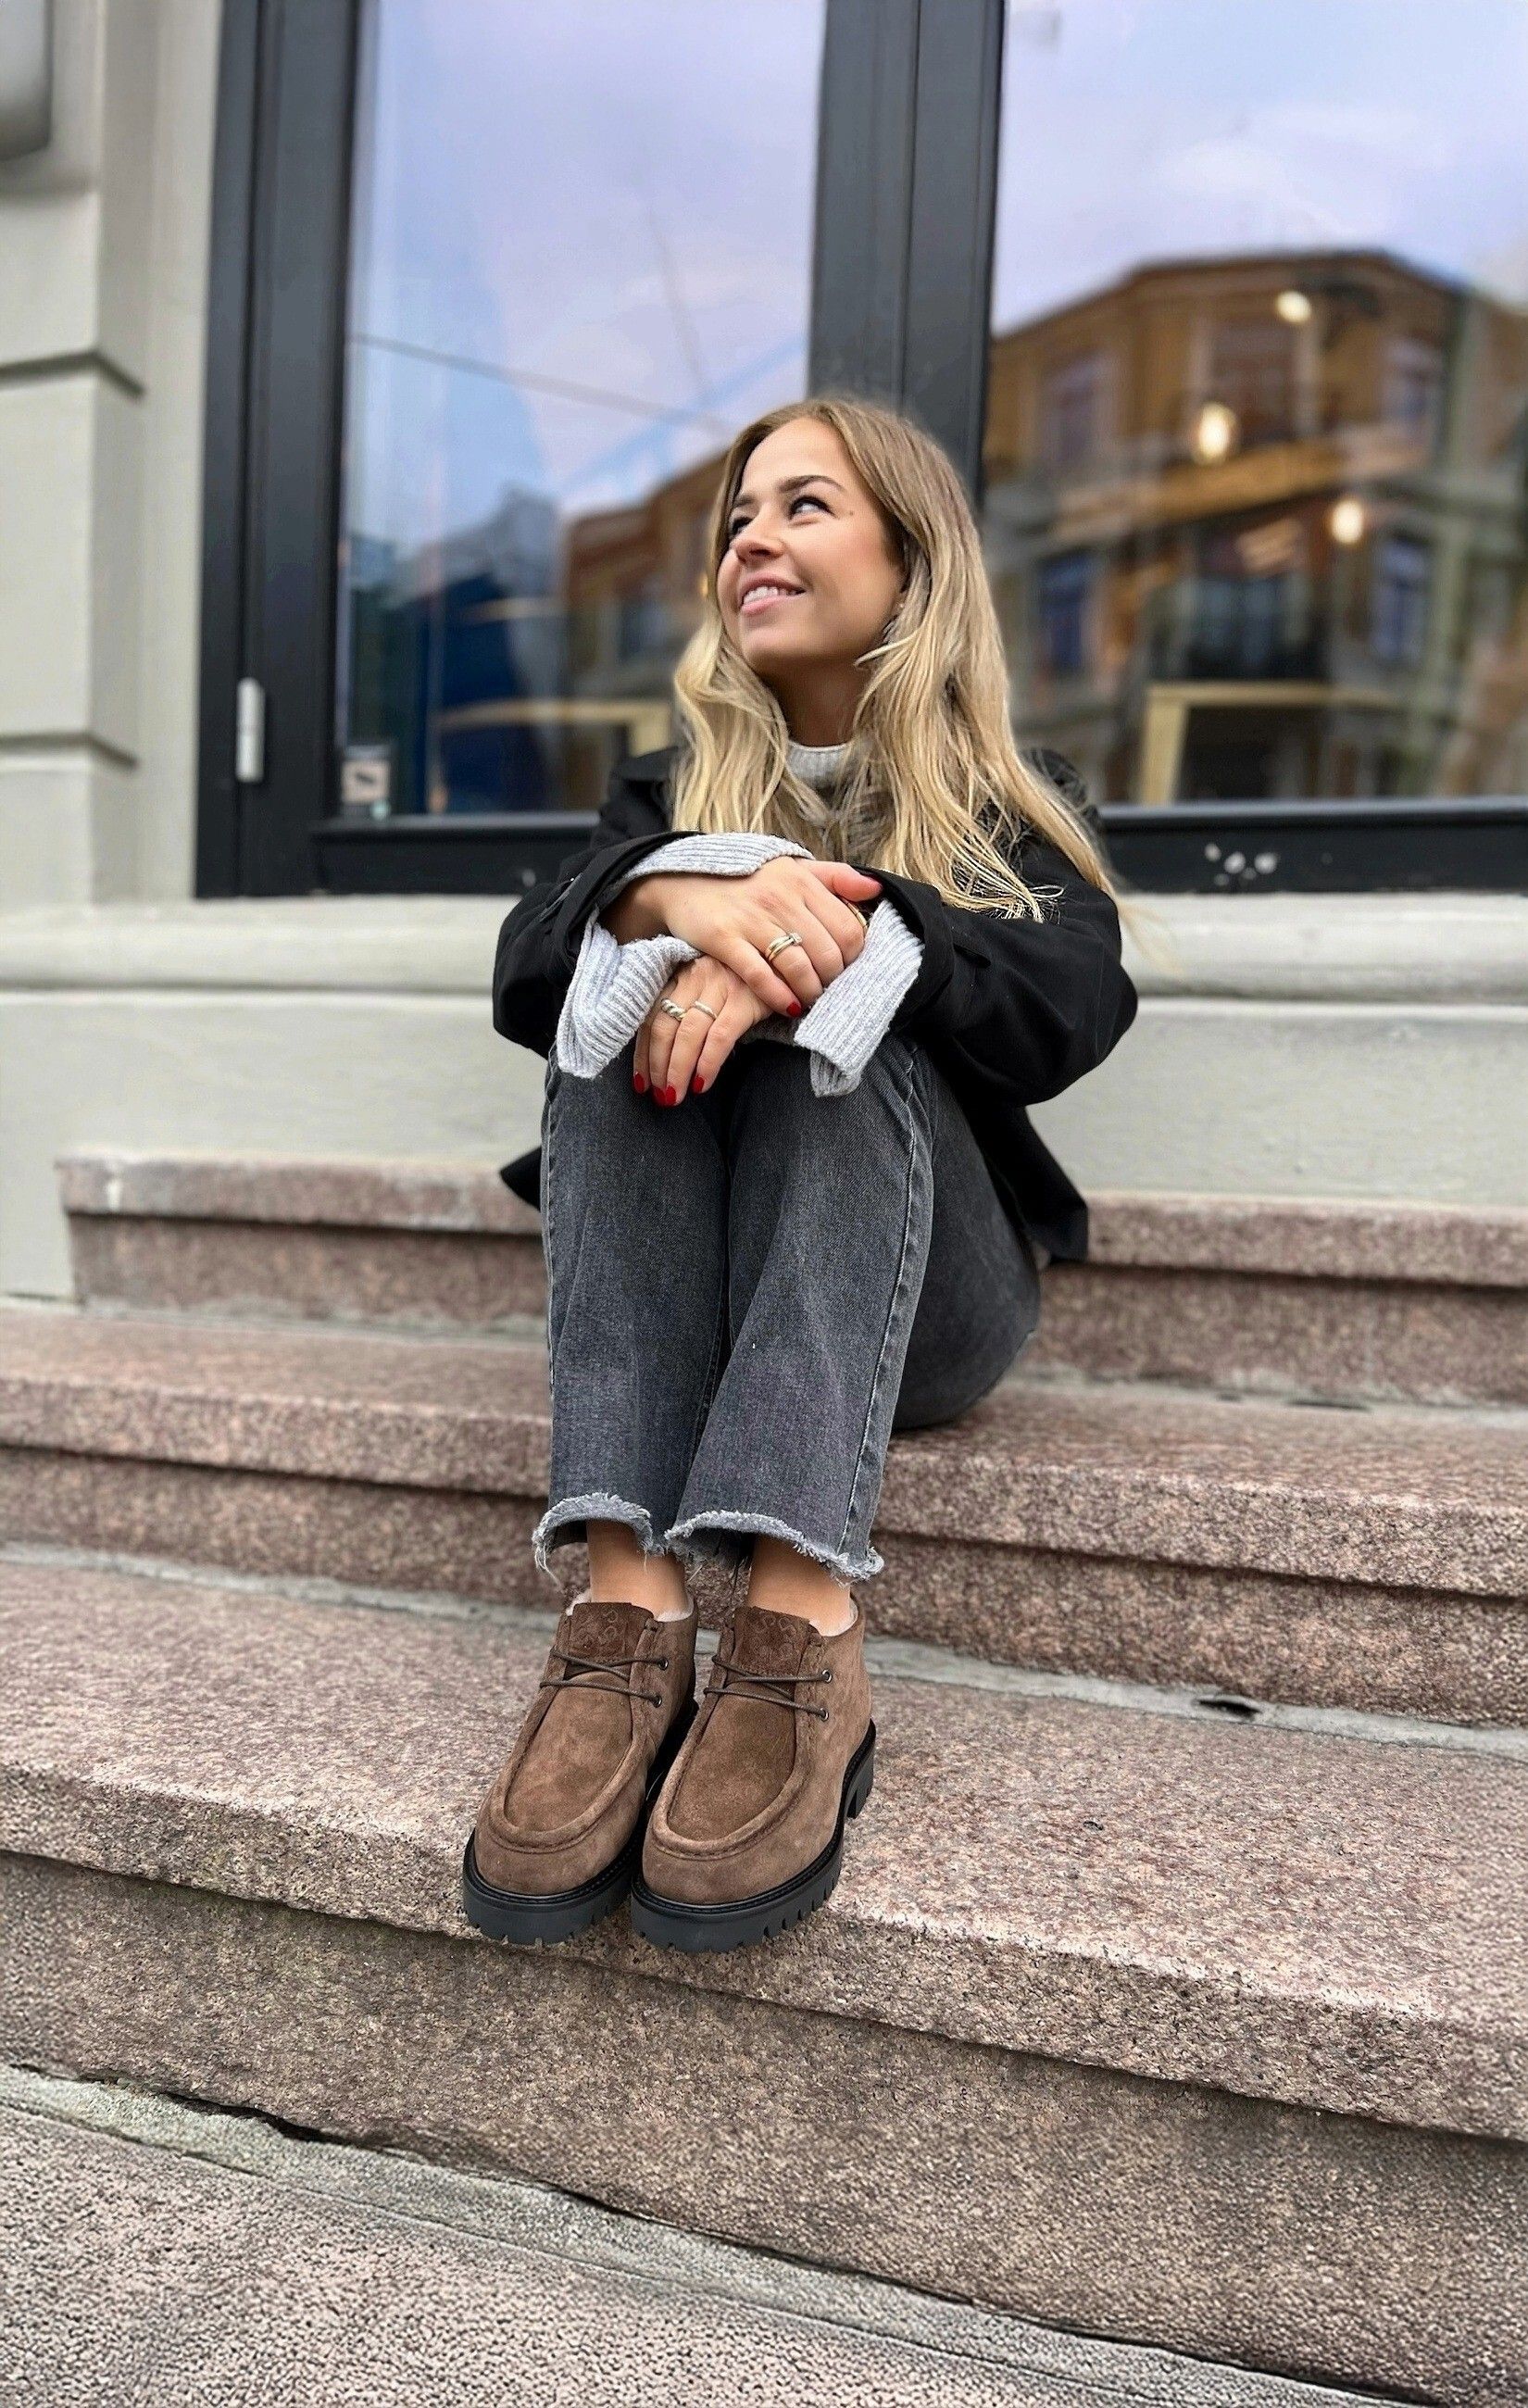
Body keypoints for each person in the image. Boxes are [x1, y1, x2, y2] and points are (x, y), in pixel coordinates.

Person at [462, 393, 1137, 1956]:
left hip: (927, 1306)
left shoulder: (1011, 802)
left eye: (804, 506)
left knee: (845, 997)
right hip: (707, 1302)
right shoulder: (662, 793)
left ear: (910, 561)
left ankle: (796, 1618)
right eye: (736, 519)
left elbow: (1069, 1014)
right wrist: (668, 895)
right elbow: (520, 972)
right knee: (606, 1009)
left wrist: (820, 934)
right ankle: (626, 1608)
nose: (750, 541)